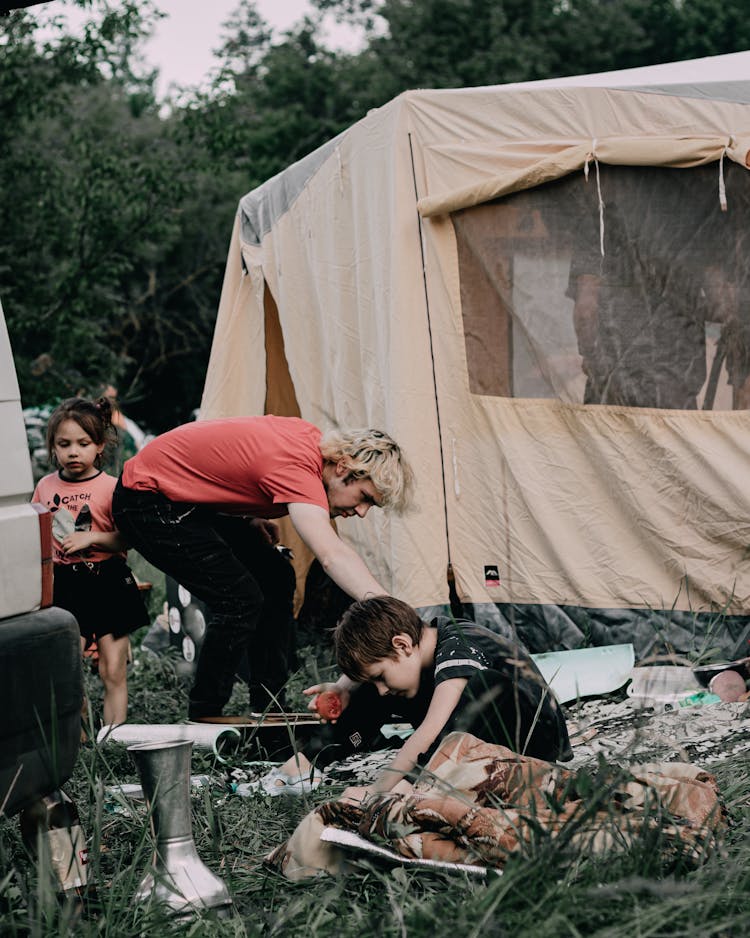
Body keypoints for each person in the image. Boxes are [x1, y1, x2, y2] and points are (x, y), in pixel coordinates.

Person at [110, 416, 413, 720]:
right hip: (147, 500)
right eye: (365, 498)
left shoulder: (310, 443)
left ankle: (270, 706)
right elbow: (331, 554)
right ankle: (205, 713)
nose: (361, 512)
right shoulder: (298, 468)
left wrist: (248, 514)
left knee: (277, 576)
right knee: (239, 598)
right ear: (343, 467)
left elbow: (235, 461)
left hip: (188, 499)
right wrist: (389, 611)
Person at [253, 596, 572, 796]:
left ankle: (417, 785)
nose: (382, 688)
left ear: (403, 644)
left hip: (528, 740)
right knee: (373, 686)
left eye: (381, 676)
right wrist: (343, 688)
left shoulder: (457, 646)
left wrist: (380, 790)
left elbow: (430, 730)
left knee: (480, 687)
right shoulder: (417, 643)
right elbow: (375, 672)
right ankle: (306, 762)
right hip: (468, 738)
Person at [32, 397, 150, 725]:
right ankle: (80, 739)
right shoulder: (44, 487)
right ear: (52, 448)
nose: (73, 452)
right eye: (64, 444)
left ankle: (113, 738)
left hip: (109, 580)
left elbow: (128, 539)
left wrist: (93, 537)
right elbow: (38, 536)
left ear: (99, 446)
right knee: (68, 669)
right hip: (66, 585)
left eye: (83, 444)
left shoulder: (112, 488)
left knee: (112, 670)